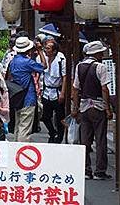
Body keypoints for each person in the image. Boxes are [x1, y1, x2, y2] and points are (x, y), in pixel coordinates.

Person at [72, 41, 113, 180]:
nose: (102, 54)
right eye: (100, 52)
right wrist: (108, 108)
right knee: (100, 139)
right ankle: (100, 171)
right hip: (98, 106)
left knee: (85, 139)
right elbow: (104, 89)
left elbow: (75, 88)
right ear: (96, 54)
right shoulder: (101, 67)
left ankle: (85, 169)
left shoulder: (79, 66)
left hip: (84, 106)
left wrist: (75, 108)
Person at [7, 37, 44, 142]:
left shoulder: (13, 61)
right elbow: (43, 66)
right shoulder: (27, 62)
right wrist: (40, 51)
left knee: (18, 126)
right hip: (28, 97)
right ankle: (21, 150)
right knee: (25, 128)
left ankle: (15, 148)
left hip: (17, 96)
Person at [41, 39, 67, 143]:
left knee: (60, 117)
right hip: (47, 92)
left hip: (57, 91)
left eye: (48, 48)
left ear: (54, 50)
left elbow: (65, 77)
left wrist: (63, 93)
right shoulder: (43, 58)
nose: (46, 50)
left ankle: (59, 137)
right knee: (46, 117)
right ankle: (52, 132)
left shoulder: (61, 60)